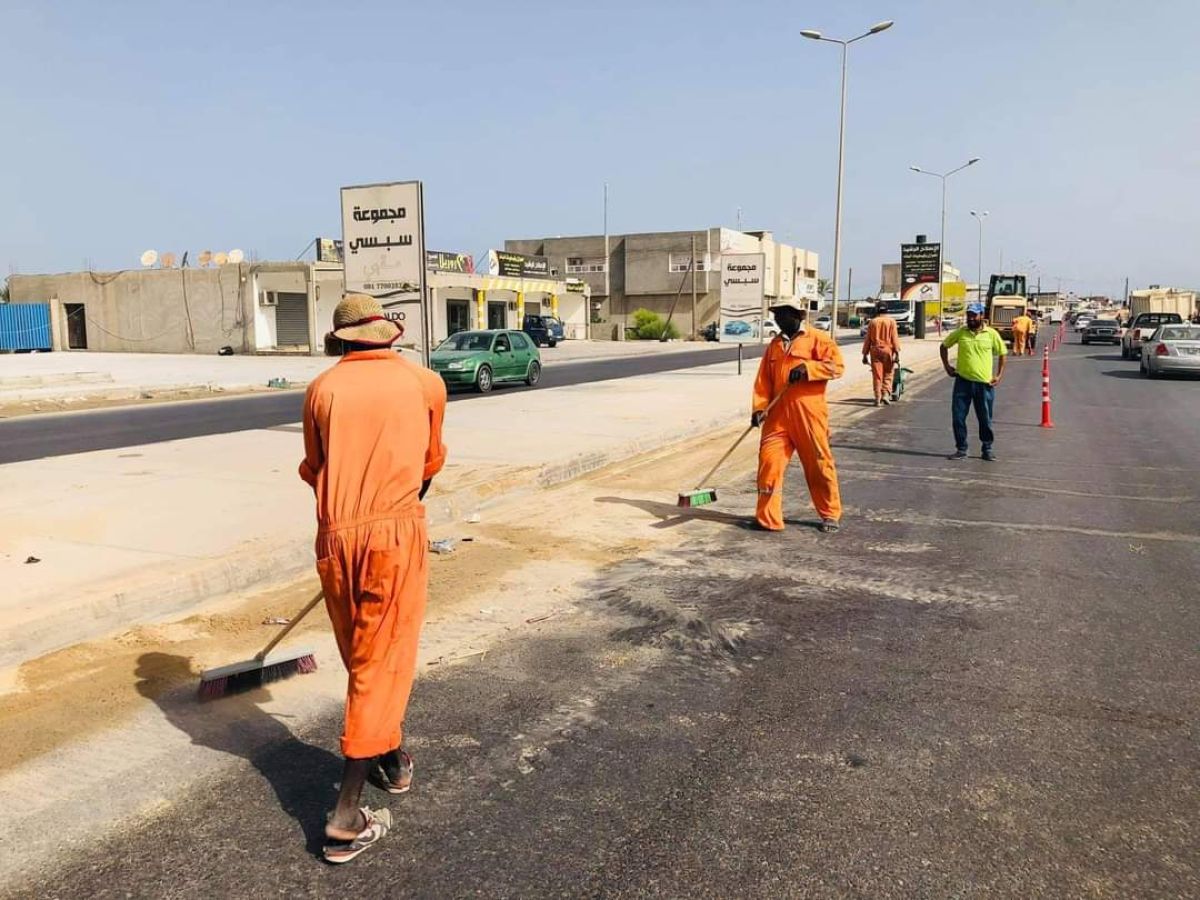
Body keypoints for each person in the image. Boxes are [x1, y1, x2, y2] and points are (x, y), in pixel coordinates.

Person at [299, 294, 448, 864]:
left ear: (343, 340)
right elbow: (430, 462)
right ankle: (344, 816)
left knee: (366, 658)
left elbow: (315, 469)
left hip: (337, 535)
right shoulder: (425, 384)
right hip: (393, 533)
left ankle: (391, 758)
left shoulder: (321, 389)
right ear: (388, 335)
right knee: (380, 661)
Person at [751, 298, 845, 533]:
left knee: (818, 465)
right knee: (769, 464)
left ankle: (830, 514)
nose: (778, 319)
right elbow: (763, 381)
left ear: (798, 316)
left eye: (783, 314)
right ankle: (768, 518)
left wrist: (808, 369)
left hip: (809, 415)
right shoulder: (774, 345)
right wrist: (759, 408)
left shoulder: (818, 339)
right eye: (776, 314)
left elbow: (837, 367)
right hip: (777, 416)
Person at [941, 303, 1007, 462]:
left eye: (974, 315)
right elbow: (943, 346)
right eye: (969, 314)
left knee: (985, 418)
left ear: (981, 315)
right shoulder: (961, 333)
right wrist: (947, 366)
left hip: (984, 384)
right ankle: (961, 448)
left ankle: (987, 448)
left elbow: (1003, 353)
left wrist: (998, 375)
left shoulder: (991, 334)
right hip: (962, 382)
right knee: (958, 417)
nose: (971, 318)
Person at [861, 300, 901, 407]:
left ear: (877, 310)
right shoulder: (891, 322)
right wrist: (897, 353)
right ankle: (885, 394)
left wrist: (865, 354)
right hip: (888, 350)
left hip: (874, 350)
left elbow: (868, 340)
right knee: (888, 373)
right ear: (887, 310)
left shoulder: (873, 322)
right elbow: (894, 338)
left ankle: (877, 397)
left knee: (877, 375)